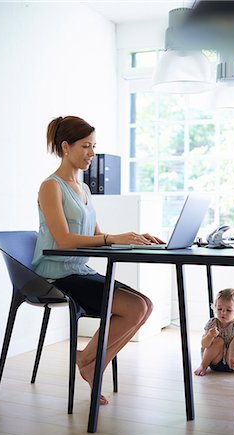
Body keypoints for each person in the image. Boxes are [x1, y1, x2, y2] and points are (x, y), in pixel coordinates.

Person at [32, 115, 164, 405]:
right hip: (57, 275)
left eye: (94, 146)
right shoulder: (51, 186)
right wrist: (111, 239)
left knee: (146, 306)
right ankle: (91, 364)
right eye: (86, 146)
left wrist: (132, 237)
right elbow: (65, 240)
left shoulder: (85, 189)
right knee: (134, 308)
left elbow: (96, 234)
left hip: (79, 269)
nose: (92, 153)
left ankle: (88, 361)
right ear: (65, 147)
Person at [194, 288, 234, 377]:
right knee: (218, 341)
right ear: (215, 307)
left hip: (232, 361)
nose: (223, 312)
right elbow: (204, 344)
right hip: (216, 360)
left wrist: (233, 357)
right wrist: (210, 335)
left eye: (228, 310)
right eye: (219, 309)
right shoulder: (212, 323)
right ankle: (203, 366)